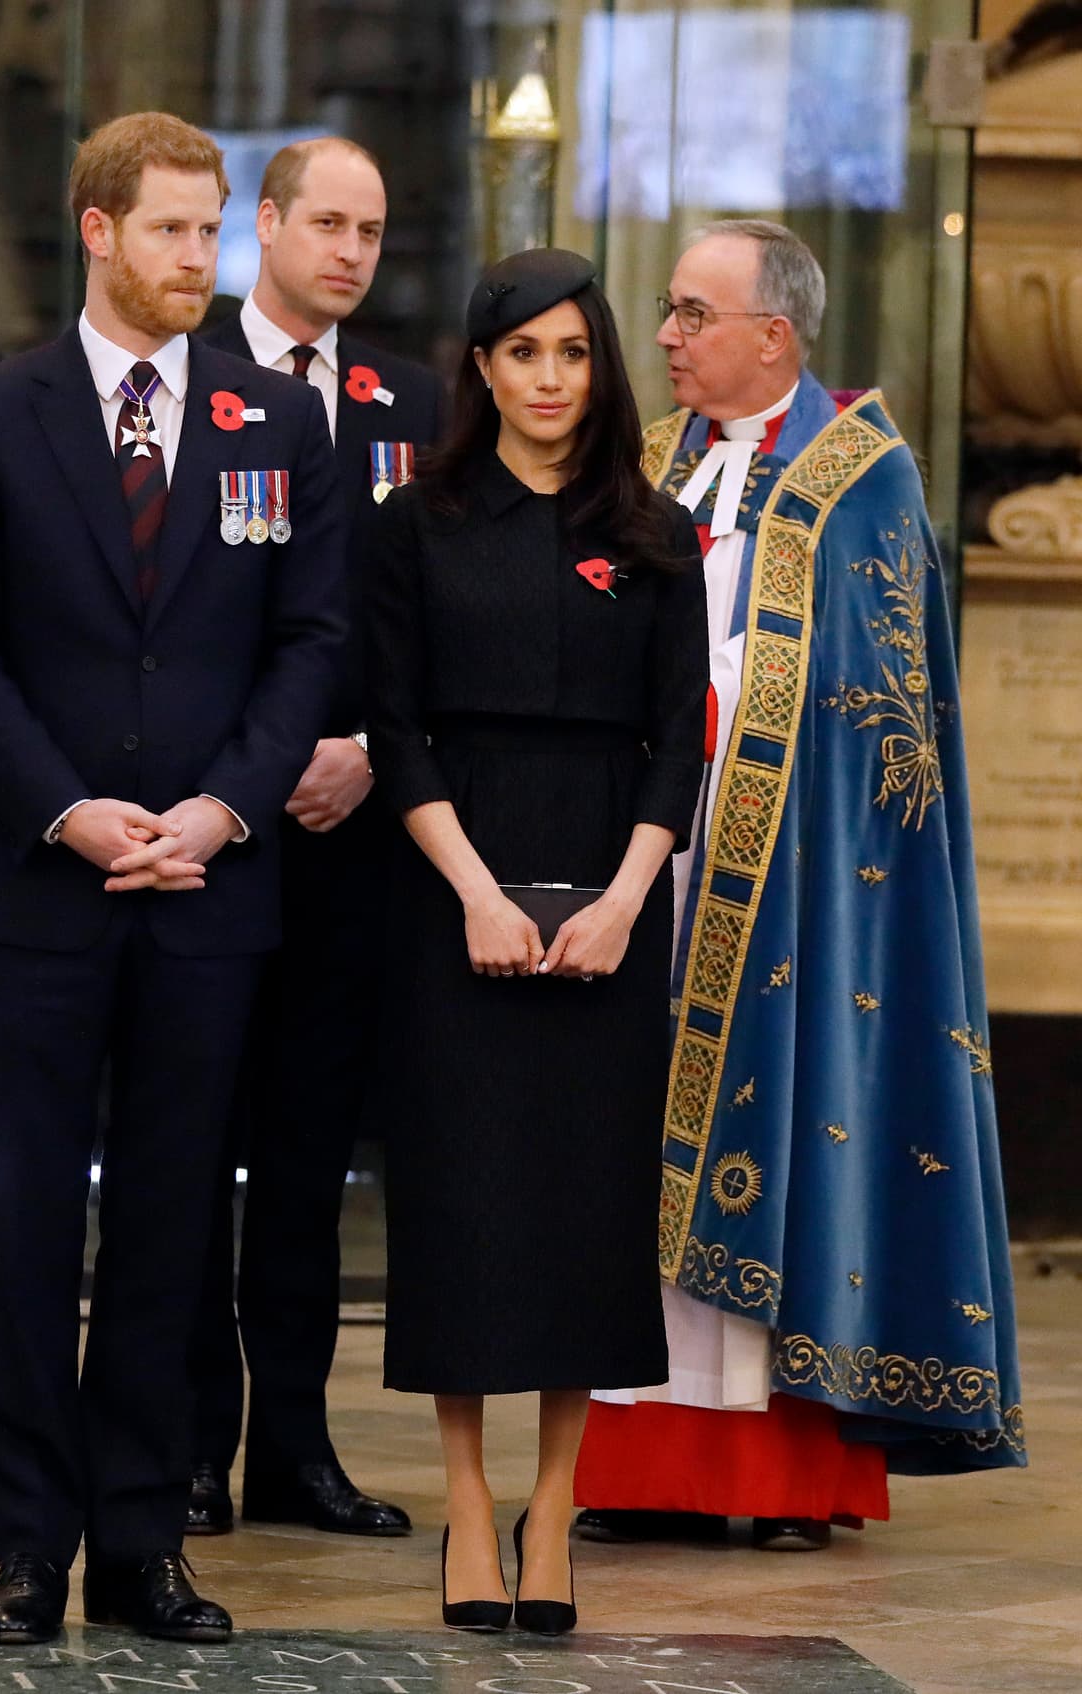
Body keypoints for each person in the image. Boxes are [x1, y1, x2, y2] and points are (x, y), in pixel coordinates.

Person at [0, 112, 345, 1644]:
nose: (199, 257)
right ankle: (31, 1545)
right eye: (172, 228)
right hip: (42, 889)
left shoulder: (273, 421)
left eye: (211, 226)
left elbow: (308, 638)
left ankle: (145, 1544)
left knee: (174, 1224)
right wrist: (71, 811)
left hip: (211, 894)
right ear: (98, 231)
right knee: (32, 1225)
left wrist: (228, 808)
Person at [573, 219, 1026, 1554]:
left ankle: (777, 1469)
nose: (663, 335)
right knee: (622, 1142)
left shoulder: (863, 477)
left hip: (793, 879)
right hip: (638, 861)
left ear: (771, 335)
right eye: (667, 312)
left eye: (690, 313)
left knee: (790, 1120)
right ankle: (627, 1451)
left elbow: (884, 723)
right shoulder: (647, 459)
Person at [364, 247, 709, 1633]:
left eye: (573, 353)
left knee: (581, 1209)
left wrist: (627, 902)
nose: (551, 379)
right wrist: (477, 894)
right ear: (483, 369)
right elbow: (392, 730)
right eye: (524, 354)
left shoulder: (658, 529)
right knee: (463, 1204)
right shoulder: (415, 521)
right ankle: (464, 1497)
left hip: (612, 889)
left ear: (600, 365)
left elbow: (676, 740)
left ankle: (554, 1502)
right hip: (455, 883)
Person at [190, 137, 440, 1539]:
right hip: (219, 824)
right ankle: (185, 1446)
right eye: (327, 222)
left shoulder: (409, 398)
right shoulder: (192, 379)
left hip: (354, 832)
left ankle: (294, 1445)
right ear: (265, 226)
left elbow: (429, 618)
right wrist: (260, 763)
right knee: (190, 1145)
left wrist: (367, 753)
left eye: (374, 227)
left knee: (304, 1158)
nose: (351, 250)